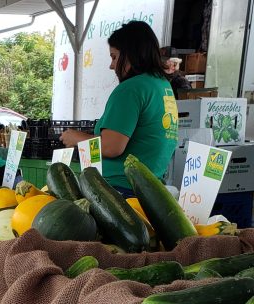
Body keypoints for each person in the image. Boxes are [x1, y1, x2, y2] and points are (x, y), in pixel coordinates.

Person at [60, 21, 179, 195]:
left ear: (132, 55)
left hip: (120, 190)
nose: (112, 65)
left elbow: (111, 147)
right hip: (149, 191)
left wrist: (76, 138)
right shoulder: (162, 86)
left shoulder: (131, 88)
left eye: (114, 57)